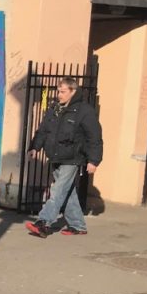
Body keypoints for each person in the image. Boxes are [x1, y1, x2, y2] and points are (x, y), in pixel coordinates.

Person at [25, 76, 103, 237]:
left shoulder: (84, 111)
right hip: (55, 155)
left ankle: (43, 223)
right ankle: (77, 225)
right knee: (67, 192)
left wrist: (93, 161)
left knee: (58, 190)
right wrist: (35, 147)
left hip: (72, 157)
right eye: (58, 91)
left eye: (63, 92)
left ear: (73, 91)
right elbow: (43, 130)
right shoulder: (55, 108)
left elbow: (94, 137)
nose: (59, 95)